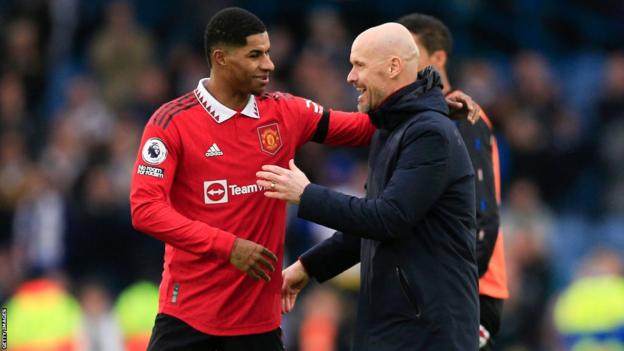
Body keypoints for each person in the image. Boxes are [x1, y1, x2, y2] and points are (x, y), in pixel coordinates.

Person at [130, 7, 479, 350]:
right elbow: (145, 210)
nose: (269, 64)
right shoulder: (171, 122)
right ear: (221, 58)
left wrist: (430, 103)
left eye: (267, 52)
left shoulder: (284, 111)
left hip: (258, 322)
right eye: (255, 55)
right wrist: (228, 246)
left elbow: (366, 125)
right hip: (189, 316)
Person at [259, 23, 479, 350]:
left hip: (429, 332)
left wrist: (307, 195)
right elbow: (370, 224)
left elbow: (389, 218)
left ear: (393, 67)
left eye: (358, 65)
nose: (350, 76)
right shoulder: (392, 130)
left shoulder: (429, 133)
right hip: (398, 325)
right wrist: (309, 266)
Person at [397, 13, 509, 350]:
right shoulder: (420, 121)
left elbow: (483, 216)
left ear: (439, 57)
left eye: (410, 53)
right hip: (436, 290)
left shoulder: (465, 116)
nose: (400, 64)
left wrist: (453, 291)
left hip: (470, 291)